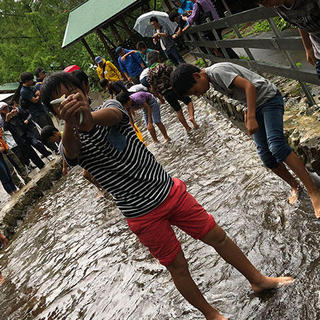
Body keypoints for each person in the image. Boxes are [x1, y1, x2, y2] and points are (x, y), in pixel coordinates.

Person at [41, 71, 293, 320]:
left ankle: (258, 280)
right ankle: (212, 315)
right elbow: (72, 154)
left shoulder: (110, 108)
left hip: (167, 190)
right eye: (59, 101)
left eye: (71, 93)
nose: (68, 100)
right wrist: (70, 124)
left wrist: (87, 115)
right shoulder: (67, 142)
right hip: (141, 214)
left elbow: (114, 115)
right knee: (177, 266)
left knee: (217, 236)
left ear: (84, 90)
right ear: (55, 113)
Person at [171, 63, 320, 218]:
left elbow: (249, 86)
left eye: (195, 91)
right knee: (266, 157)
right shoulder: (211, 80)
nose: (199, 95)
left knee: (276, 146)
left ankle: (313, 191)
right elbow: (242, 92)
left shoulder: (217, 72)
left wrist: (250, 116)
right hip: (256, 105)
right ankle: (295, 185)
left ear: (197, 76)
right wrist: (247, 111)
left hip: (269, 100)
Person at [256, 0, 320, 78]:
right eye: (262, 4)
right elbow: (300, 23)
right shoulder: (279, 8)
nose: (267, 6)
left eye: (265, 2)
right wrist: (308, 48)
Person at [40, 125, 105, 196]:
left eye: (50, 139)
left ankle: (101, 188)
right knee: (88, 175)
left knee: (86, 174)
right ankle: (101, 187)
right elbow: (65, 155)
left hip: (88, 155)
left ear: (55, 133)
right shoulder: (61, 140)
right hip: (84, 157)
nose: (51, 142)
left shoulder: (66, 138)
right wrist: (64, 167)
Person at [146, 50, 198, 132]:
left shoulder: (149, 74)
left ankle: (187, 128)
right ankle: (191, 117)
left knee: (178, 110)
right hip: (174, 88)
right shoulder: (163, 66)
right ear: (158, 58)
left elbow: (152, 88)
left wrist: (160, 97)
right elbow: (173, 75)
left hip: (166, 94)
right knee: (189, 102)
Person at [0, 102, 48, 169]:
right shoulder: (3, 119)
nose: (6, 109)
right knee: (30, 152)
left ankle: (48, 155)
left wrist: (18, 111)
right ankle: (41, 165)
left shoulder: (14, 109)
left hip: (26, 131)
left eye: (6, 107)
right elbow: (5, 128)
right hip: (19, 137)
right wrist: (7, 119)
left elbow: (27, 114)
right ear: (1, 111)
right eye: (3, 109)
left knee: (36, 143)